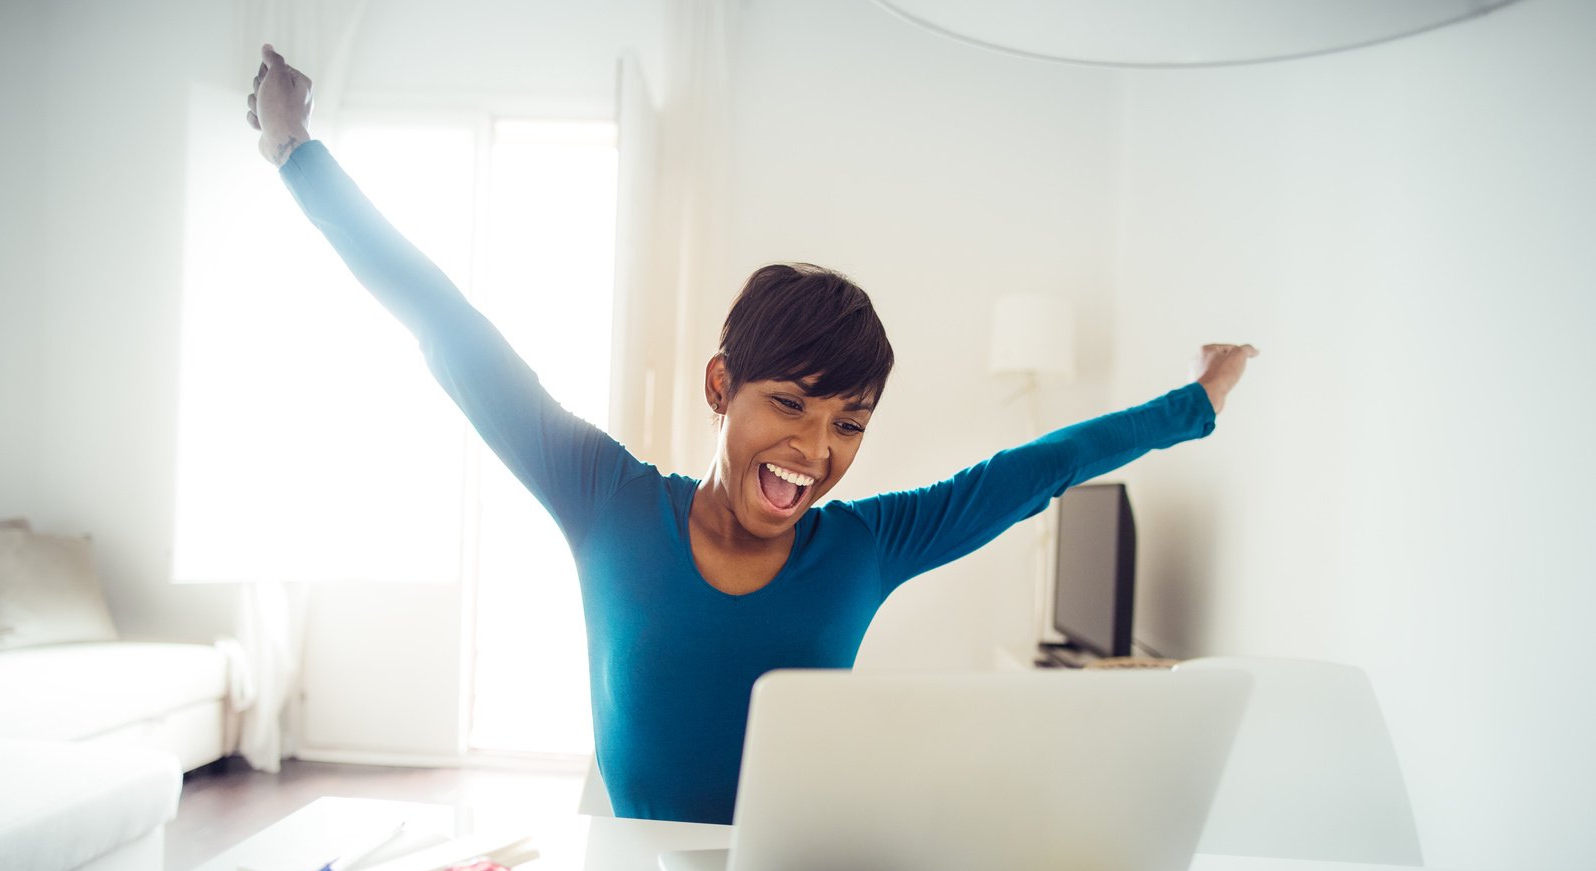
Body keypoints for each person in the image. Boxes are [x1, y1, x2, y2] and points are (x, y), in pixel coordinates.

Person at [246, 46, 1259, 824]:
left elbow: (1038, 468)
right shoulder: (606, 501)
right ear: (720, 386)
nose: (816, 451)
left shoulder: (868, 546)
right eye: (791, 405)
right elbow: (451, 329)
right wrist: (299, 158)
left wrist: (1196, 402)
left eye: (849, 423)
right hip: (631, 870)